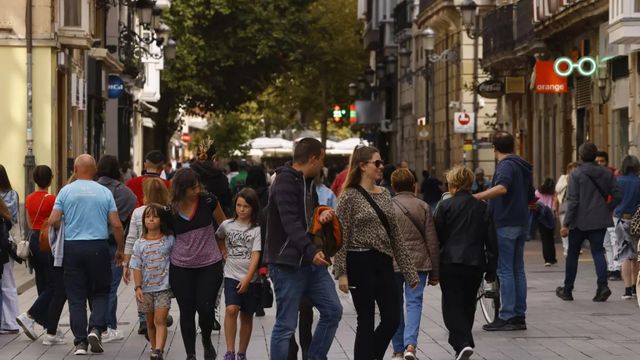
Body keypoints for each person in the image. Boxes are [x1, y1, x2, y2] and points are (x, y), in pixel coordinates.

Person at [335, 145, 418, 360]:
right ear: (362, 166)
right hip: (358, 259)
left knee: (392, 318)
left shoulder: (384, 194)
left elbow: (396, 235)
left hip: (383, 260)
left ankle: (368, 355)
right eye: (377, 163)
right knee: (365, 319)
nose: (381, 167)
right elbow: (340, 237)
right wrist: (341, 272)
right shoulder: (348, 197)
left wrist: (409, 271)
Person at [265, 138, 342, 360]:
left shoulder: (307, 182)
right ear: (313, 158)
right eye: (322, 160)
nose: (323, 166)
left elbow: (310, 216)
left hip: (310, 261)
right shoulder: (285, 181)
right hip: (287, 263)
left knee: (333, 310)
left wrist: (322, 214)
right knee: (286, 325)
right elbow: (290, 223)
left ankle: (315, 357)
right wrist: (311, 251)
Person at [47, 154, 126, 355]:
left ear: (75, 168)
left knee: (76, 297)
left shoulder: (65, 191)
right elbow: (116, 224)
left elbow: (53, 219)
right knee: (101, 290)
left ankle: (80, 342)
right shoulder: (104, 192)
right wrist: (120, 249)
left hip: (73, 248)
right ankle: (96, 328)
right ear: (94, 170)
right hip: (98, 247)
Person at [435, 165, 498, 360]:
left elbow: (437, 237)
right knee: (468, 303)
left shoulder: (444, 206)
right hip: (475, 263)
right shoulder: (482, 207)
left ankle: (462, 343)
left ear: (453, 184)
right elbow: (492, 242)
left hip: (450, 262)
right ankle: (463, 344)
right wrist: (491, 270)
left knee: (451, 305)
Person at [475, 132, 534, 331]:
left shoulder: (506, 165)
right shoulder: (523, 165)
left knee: (506, 269)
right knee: (517, 268)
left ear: (494, 148)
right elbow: (530, 194)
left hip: (506, 221)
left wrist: (478, 196)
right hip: (521, 221)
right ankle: (519, 314)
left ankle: (507, 315)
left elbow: (502, 188)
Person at [169, 168, 227, 360]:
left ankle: (207, 340)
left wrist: (223, 248)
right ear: (181, 189)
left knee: (206, 307)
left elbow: (223, 225)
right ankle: (190, 354)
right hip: (181, 266)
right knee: (186, 311)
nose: (197, 190)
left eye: (198, 185)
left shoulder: (209, 201)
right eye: (192, 188)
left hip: (210, 264)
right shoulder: (170, 209)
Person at [556, 143, 621, 302]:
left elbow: (573, 201)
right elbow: (618, 195)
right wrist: (607, 207)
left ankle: (568, 289)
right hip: (599, 219)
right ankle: (602, 286)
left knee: (572, 254)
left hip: (579, 221)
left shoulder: (576, 174)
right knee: (598, 252)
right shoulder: (607, 173)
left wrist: (565, 224)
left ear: (580, 156)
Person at [389, 168, 439, 360]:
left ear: (393, 186)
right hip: (419, 262)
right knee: (414, 303)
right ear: (413, 185)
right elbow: (432, 241)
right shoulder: (423, 206)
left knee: (395, 305)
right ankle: (411, 346)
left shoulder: (387, 206)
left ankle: (398, 350)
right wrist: (435, 272)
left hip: (393, 263)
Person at [16, 165, 68, 345]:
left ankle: (47, 324)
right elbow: (57, 221)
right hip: (48, 241)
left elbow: (30, 222)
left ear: (34, 180)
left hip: (34, 240)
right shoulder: (53, 198)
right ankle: (29, 315)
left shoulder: (29, 198)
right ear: (51, 179)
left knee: (42, 282)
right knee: (54, 285)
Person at [217, 188, 262, 360]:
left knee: (247, 315)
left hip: (252, 279)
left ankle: (242, 352)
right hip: (231, 275)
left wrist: (248, 279)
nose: (242, 209)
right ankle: (230, 351)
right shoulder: (227, 225)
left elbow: (256, 254)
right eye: (239, 205)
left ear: (253, 208)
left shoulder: (256, 229)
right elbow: (218, 236)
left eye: (246, 206)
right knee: (231, 309)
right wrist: (223, 250)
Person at [123, 177, 171, 336]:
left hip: (141, 258)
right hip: (162, 261)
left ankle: (144, 318)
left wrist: (126, 262)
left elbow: (131, 237)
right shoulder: (167, 211)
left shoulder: (138, 212)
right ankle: (159, 315)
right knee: (161, 289)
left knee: (141, 288)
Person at [96, 155, 137, 343]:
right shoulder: (124, 192)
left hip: (91, 243)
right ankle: (109, 326)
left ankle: (96, 325)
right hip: (113, 242)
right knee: (111, 287)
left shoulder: (92, 189)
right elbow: (127, 212)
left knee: (94, 286)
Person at [130, 204, 175, 360]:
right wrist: (137, 287)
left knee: (160, 320)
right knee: (149, 322)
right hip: (146, 289)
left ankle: (158, 350)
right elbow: (136, 266)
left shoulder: (169, 240)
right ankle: (153, 347)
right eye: (148, 216)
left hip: (164, 288)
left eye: (155, 216)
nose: (150, 219)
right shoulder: (139, 243)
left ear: (161, 220)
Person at [613, 155, 640, 299]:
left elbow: (613, 199)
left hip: (621, 219)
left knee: (625, 255)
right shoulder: (639, 181)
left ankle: (627, 290)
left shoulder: (618, 181)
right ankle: (636, 288)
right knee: (636, 255)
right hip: (637, 221)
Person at [0, 164, 20, 334]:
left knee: (6, 283)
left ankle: (10, 322)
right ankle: (11, 320)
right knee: (8, 282)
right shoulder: (13, 195)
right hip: (7, 242)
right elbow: (13, 219)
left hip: (3, 243)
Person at [596, 150, 622, 281]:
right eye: (597, 161)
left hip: (611, 212)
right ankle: (611, 267)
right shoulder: (593, 176)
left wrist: (610, 208)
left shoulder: (613, 175)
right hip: (599, 214)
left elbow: (616, 194)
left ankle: (617, 268)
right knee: (606, 243)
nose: (600, 164)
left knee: (614, 240)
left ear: (607, 161)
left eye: (602, 161)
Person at [191, 143, 233, 216]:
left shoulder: (187, 176)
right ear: (213, 157)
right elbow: (227, 203)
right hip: (218, 221)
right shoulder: (222, 178)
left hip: (192, 222)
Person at [556, 162, 578, 256]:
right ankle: (566, 247)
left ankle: (575, 246)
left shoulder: (579, 178)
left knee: (574, 227)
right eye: (572, 169)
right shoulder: (563, 178)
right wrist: (567, 181)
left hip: (576, 205)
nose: (574, 171)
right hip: (565, 204)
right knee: (564, 226)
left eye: (576, 169)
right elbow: (557, 189)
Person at [534, 177, 558, 266]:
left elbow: (535, 204)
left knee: (545, 239)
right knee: (551, 238)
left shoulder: (537, 192)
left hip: (542, 217)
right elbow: (554, 206)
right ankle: (552, 258)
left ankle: (547, 259)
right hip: (551, 216)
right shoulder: (553, 193)